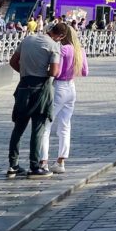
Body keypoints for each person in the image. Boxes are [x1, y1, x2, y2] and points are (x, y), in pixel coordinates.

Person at [6, 27, 63, 178]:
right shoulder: (53, 46)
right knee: (37, 129)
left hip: (23, 86)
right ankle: (35, 167)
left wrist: (25, 73)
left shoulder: (27, 39)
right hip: (40, 89)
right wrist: (40, 73)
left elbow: (13, 61)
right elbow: (54, 72)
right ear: (60, 36)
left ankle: (13, 166)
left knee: (18, 128)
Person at [40, 22, 89, 174]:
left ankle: (43, 162)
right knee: (65, 125)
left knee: (45, 124)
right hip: (71, 88)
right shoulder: (79, 50)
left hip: (59, 87)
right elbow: (85, 71)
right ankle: (61, 161)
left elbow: (57, 71)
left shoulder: (62, 50)